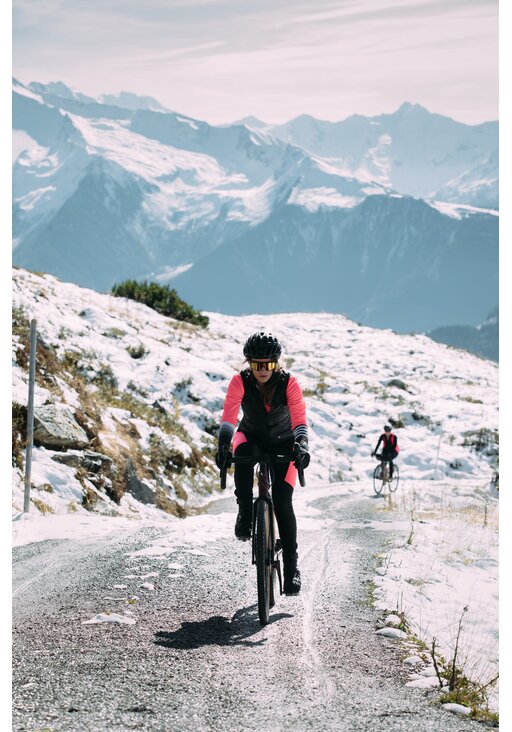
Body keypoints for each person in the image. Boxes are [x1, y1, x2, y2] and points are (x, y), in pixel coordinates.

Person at [215, 331, 310, 595]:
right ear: (248, 363)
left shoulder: (289, 383)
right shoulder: (239, 382)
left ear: (276, 363)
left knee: (282, 501)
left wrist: (302, 446)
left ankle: (291, 568)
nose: (262, 369)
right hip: (252, 435)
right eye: (256, 364)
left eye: (267, 364)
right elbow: (229, 418)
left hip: (284, 441)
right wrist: (223, 445)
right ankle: (245, 512)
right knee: (242, 454)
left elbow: (299, 420)